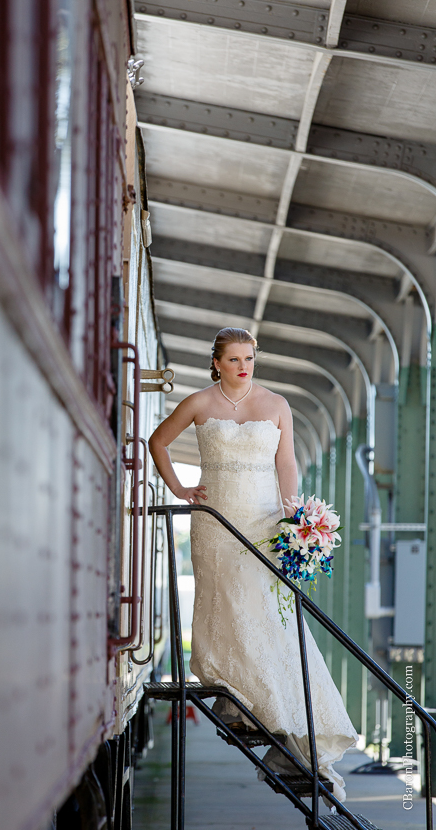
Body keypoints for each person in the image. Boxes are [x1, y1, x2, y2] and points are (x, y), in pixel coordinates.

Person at [148, 327, 358, 803]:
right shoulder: (199, 403)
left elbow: (287, 464)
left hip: (263, 522)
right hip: (215, 522)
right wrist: (180, 490)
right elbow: (158, 442)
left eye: (249, 358)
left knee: (266, 611)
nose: (244, 366)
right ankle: (237, 694)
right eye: (234, 359)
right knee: (226, 602)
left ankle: (283, 713)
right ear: (216, 363)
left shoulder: (277, 404)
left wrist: (293, 515)